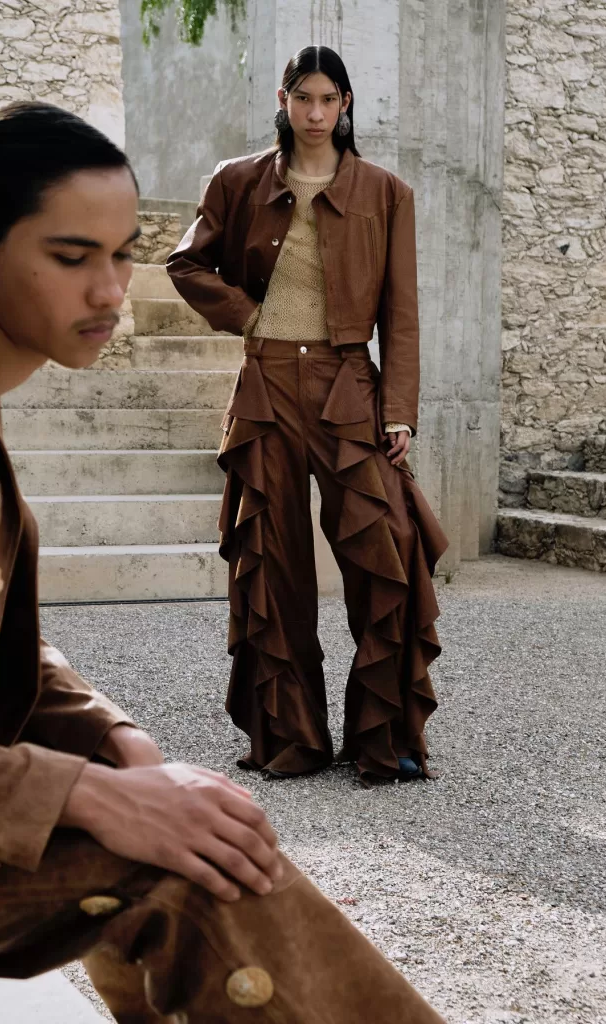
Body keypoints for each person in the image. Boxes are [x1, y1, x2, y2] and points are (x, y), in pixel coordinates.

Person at [0, 101, 446, 1022]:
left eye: (121, 256)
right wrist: (87, 796)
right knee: (191, 872)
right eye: (72, 257)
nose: (110, 291)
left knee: (194, 827)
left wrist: (111, 741)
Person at [167, 46, 449, 789]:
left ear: (346, 103)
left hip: (347, 383)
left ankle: (382, 735)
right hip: (265, 386)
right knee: (272, 560)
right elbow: (185, 263)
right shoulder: (237, 180)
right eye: (304, 99)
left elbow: (402, 314)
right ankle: (292, 735)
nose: (316, 113)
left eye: (329, 99)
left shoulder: (386, 192)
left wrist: (400, 411)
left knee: (388, 548)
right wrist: (248, 314)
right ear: (283, 99)